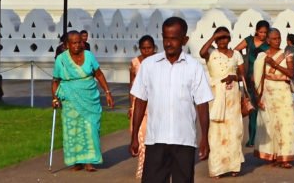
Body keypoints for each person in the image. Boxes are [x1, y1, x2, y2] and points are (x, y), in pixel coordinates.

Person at [130, 16, 213, 183]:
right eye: (166, 38)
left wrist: (205, 137)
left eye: (174, 39)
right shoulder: (149, 65)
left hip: (184, 140)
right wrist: (134, 136)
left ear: (184, 40)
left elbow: (202, 103)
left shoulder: (194, 67)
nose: (168, 43)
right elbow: (140, 101)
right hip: (155, 139)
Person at [52, 30, 115, 172]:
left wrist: (107, 92)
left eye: (80, 42)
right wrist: (55, 98)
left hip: (90, 97)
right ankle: (77, 161)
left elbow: (98, 74)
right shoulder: (61, 59)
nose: (77, 45)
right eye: (74, 43)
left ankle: (89, 161)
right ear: (67, 44)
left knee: (91, 128)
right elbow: (55, 81)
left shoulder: (89, 56)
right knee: (73, 130)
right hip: (70, 99)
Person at [200, 27, 246, 178]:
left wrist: (234, 77)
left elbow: (243, 76)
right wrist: (213, 37)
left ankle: (234, 166)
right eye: (219, 38)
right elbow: (201, 53)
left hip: (232, 96)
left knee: (234, 131)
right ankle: (217, 168)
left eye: (225, 38)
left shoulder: (237, 55)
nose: (222, 41)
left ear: (229, 39)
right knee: (216, 132)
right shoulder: (211, 54)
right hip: (216, 96)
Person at [254, 28, 294, 168]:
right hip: (268, 92)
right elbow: (259, 77)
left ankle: (285, 157)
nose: (277, 41)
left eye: (279, 38)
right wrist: (259, 96)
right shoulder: (262, 56)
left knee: (286, 124)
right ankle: (273, 155)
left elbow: (291, 74)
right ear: (268, 40)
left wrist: (275, 65)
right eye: (274, 38)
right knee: (270, 124)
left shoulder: (287, 54)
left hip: (283, 93)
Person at [234, 20, 270, 147]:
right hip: (248, 78)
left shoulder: (268, 45)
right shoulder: (249, 41)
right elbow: (235, 51)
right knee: (252, 108)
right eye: (260, 32)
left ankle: (263, 137)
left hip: (261, 79)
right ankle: (252, 138)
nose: (263, 35)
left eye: (265, 32)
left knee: (262, 107)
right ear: (256, 31)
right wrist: (241, 64)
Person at [130, 35, 157, 180]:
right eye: (144, 48)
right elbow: (132, 85)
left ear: (154, 48)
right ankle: (142, 168)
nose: (147, 51)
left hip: (155, 104)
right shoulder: (135, 63)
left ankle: (154, 168)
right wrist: (130, 107)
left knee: (153, 138)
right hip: (139, 105)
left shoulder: (159, 62)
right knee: (140, 138)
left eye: (149, 48)